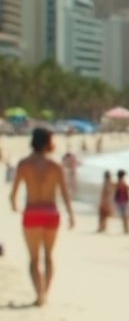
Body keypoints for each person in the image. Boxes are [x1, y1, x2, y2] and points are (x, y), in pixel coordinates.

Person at [10, 127, 75, 305]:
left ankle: (39, 294)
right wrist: (71, 214)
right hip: (51, 213)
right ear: (49, 143)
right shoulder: (55, 166)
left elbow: (13, 193)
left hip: (32, 212)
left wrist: (14, 205)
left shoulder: (23, 164)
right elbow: (64, 193)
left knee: (33, 258)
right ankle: (45, 292)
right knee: (48, 255)